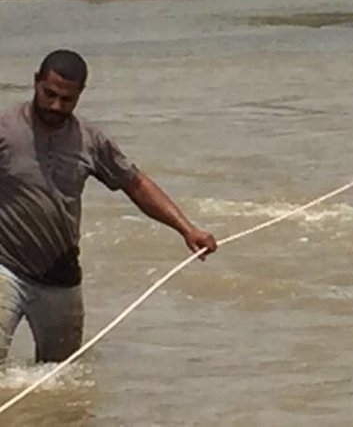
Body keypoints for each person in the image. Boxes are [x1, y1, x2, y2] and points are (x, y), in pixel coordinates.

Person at [0, 50, 217, 364]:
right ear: (36, 82)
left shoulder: (90, 141)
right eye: (49, 94)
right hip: (5, 265)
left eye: (67, 99)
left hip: (60, 276)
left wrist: (187, 229)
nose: (56, 106)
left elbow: (136, 184)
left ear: (80, 96)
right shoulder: (5, 130)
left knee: (60, 379)